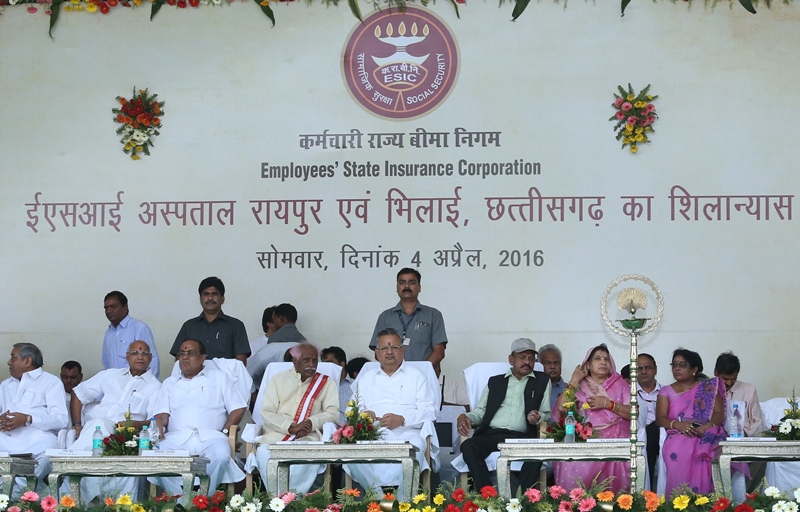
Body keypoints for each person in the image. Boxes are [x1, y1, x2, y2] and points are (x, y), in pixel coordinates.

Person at [345, 328, 437, 499]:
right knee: (352, 452)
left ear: (402, 350)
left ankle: (402, 502)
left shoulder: (416, 376)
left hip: (407, 433)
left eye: (394, 347)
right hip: (372, 434)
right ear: (376, 352)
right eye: (384, 348)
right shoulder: (366, 378)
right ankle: (380, 499)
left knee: (414, 449)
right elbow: (350, 410)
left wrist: (403, 419)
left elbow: (429, 411)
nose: (389, 352)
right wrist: (364, 416)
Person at [68, 340, 162, 501]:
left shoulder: (156, 387)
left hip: (124, 436)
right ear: (127, 357)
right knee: (98, 425)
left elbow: (154, 420)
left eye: (144, 353)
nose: (140, 357)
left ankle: (70, 466)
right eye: (135, 353)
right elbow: (78, 394)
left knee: (100, 424)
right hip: (93, 431)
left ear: (151, 358)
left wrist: (133, 425)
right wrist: (77, 424)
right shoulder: (110, 375)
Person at [153, 339, 247, 494]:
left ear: (203, 357)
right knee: (156, 458)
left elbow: (238, 408)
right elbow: (163, 414)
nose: (184, 357)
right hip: (176, 439)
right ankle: (181, 500)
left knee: (221, 456)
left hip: (211, 437)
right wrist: (158, 421)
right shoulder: (169, 383)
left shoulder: (219, 377)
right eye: (181, 353)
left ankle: (203, 498)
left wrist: (225, 432)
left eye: (190, 353)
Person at [457, 338, 551, 493]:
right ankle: (487, 494)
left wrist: (538, 416)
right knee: (468, 446)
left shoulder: (542, 380)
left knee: (538, 452)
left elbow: (546, 413)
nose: (527, 362)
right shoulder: (495, 382)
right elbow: (480, 412)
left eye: (531, 358)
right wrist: (465, 417)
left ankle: (522, 500)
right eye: (522, 357)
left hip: (522, 437)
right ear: (511, 359)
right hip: (492, 434)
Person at [255, 344, 339, 493]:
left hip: (308, 437)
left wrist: (311, 422)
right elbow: (267, 412)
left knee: (306, 456)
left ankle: (291, 501)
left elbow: (333, 413)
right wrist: (290, 426)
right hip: (277, 436)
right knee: (264, 454)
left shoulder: (326, 383)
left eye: (315, 360)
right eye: (306, 360)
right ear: (295, 360)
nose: (312, 364)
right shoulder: (277, 380)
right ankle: (278, 500)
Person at [553, 344, 632, 493]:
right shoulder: (580, 385)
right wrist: (574, 380)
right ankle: (575, 502)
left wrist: (608, 404)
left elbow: (634, 413)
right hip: (585, 439)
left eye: (606, 359)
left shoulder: (620, 383)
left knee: (620, 459)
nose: (603, 362)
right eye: (597, 358)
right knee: (569, 461)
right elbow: (562, 408)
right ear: (588, 365)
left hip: (615, 438)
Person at [656, 349, 726, 496]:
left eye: (682, 365)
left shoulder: (709, 389)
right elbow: (660, 419)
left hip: (705, 432)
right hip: (678, 433)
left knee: (711, 447)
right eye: (674, 364)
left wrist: (708, 426)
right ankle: (677, 501)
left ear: (694, 369)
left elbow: (719, 413)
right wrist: (678, 425)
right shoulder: (666, 391)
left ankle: (703, 501)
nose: (677, 368)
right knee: (679, 449)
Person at [0, 343, 69, 491]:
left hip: (37, 440)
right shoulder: (5, 385)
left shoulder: (51, 382)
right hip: (6, 439)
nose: (9, 362)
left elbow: (61, 419)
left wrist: (28, 419)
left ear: (27, 361)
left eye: (13, 358)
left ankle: (20, 495)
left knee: (49, 450)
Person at [370, 268, 447, 365]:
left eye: (412, 282)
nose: (406, 286)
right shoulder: (385, 317)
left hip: (424, 373)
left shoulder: (433, 315)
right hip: (394, 373)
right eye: (402, 282)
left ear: (419, 287)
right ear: (397, 287)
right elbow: (378, 352)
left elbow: (439, 352)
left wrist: (421, 370)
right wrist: (398, 370)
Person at [714, 351, 765, 491]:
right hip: (716, 443)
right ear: (716, 372)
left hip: (743, 442)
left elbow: (758, 422)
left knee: (763, 460)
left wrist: (743, 435)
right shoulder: (707, 390)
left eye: (733, 379)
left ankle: (746, 497)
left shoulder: (748, 390)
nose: (729, 383)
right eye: (725, 379)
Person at [171, 276, 250, 363]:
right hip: (195, 372)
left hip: (225, 372)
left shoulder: (236, 326)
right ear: (200, 299)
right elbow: (179, 359)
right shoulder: (189, 326)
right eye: (206, 294)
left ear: (222, 299)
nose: (210, 298)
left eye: (214, 294)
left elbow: (240, 363)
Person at [102, 291, 160, 378]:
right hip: (114, 384)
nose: (109, 311)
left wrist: (147, 384)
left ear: (125, 307)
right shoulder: (108, 333)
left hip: (137, 384)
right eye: (106, 308)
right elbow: (106, 365)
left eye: (113, 306)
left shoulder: (139, 328)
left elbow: (153, 361)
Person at [635, 353, 661, 490]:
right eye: (639, 368)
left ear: (655, 370)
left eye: (648, 367)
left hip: (663, 434)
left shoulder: (666, 392)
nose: (644, 372)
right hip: (638, 436)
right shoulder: (629, 393)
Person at [321, 346, 353, 425]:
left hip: (347, 429)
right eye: (324, 364)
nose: (326, 367)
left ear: (341, 364)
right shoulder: (319, 386)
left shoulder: (354, 385)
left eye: (329, 363)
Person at [538, 344, 568, 416]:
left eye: (556, 363)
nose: (552, 366)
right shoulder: (532, 388)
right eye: (547, 363)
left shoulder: (569, 389)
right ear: (539, 365)